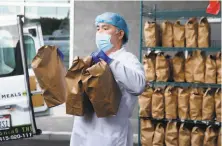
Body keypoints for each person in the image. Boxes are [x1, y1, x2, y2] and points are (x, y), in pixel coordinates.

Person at [70, 12, 146, 146]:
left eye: (105, 28)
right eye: (98, 28)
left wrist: (110, 62)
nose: (100, 33)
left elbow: (139, 86)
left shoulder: (128, 60)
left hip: (110, 136)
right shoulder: (91, 59)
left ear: (120, 34)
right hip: (82, 133)